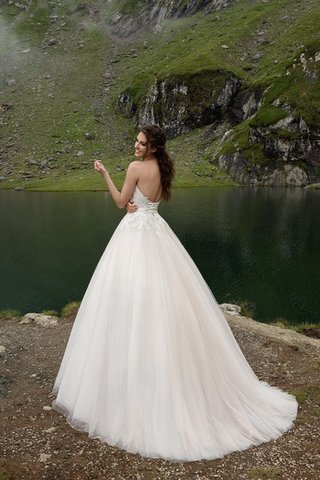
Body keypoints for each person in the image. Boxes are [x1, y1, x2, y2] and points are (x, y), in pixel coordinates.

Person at [52, 124, 297, 462]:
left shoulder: (136, 168)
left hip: (134, 237)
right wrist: (134, 203)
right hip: (157, 233)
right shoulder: (163, 168)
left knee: (127, 300)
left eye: (141, 143)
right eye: (136, 142)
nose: (135, 146)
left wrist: (105, 174)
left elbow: (121, 203)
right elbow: (150, 201)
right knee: (162, 299)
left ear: (152, 146)